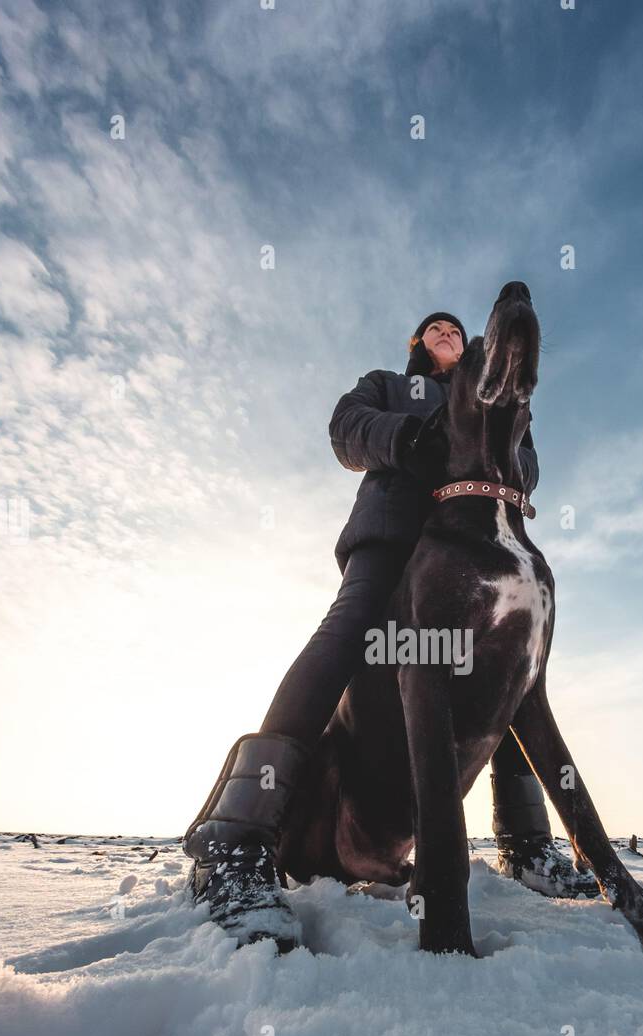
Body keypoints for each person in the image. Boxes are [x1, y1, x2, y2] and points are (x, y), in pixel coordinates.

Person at [182, 311, 596, 927]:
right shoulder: (386, 385)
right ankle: (234, 843)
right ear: (416, 345)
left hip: (473, 547)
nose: (448, 336)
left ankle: (527, 847)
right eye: (435, 331)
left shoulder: (494, 388)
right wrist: (410, 440)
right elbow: (346, 428)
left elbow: (526, 463)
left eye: (456, 331)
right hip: (393, 538)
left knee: (500, 676)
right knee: (347, 638)